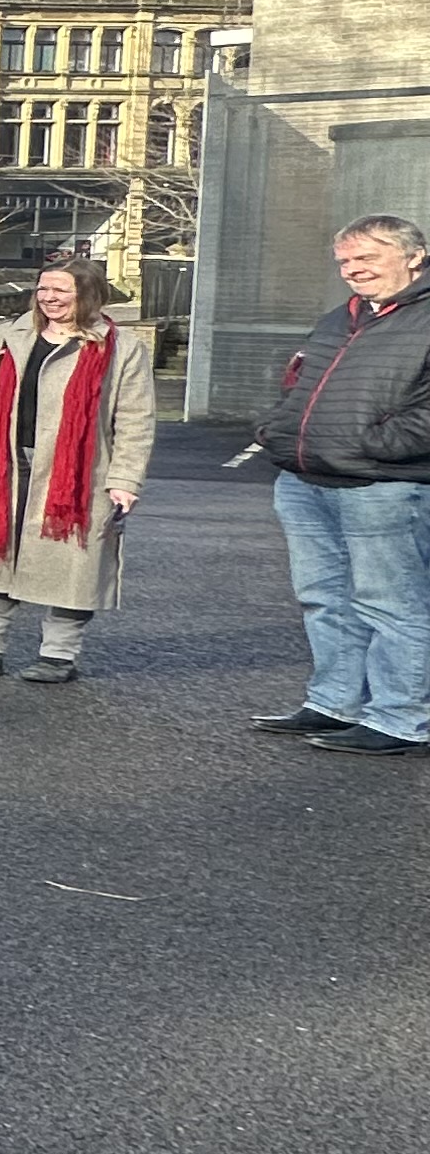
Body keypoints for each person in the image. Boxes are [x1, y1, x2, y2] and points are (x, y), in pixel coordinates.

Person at [250, 211, 430, 755]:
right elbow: (297, 383)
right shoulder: (340, 317)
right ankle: (336, 703)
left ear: (415, 256)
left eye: (366, 257)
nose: (353, 269)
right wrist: (275, 430)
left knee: (392, 604)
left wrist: (370, 443)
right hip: (305, 480)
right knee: (324, 598)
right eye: (345, 260)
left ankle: (402, 719)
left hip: (383, 485)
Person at [0, 252, 152, 683]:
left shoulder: (121, 348)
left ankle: (58, 655)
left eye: (59, 290)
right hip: (2, 464)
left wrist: (125, 479)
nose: (48, 298)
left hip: (77, 474)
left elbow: (135, 419)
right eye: (43, 289)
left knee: (72, 564)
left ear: (87, 295)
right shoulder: (9, 336)